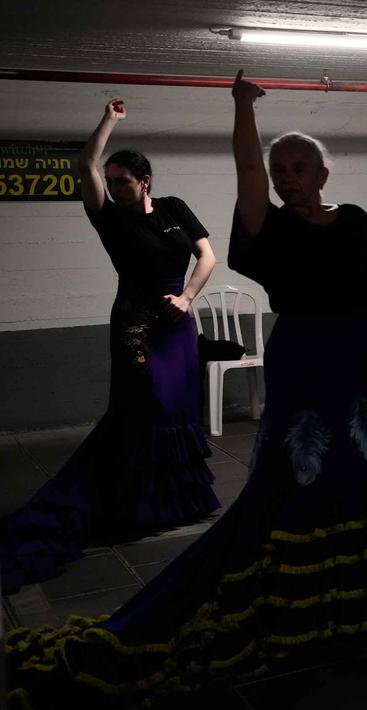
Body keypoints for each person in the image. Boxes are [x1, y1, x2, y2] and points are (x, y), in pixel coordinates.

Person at [3, 71, 367, 709]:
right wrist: (243, 107)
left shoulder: (353, 220)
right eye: (280, 168)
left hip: (355, 354)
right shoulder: (267, 226)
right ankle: (291, 574)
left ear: (322, 175)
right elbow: (247, 169)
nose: (288, 175)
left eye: (300, 167)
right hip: (301, 351)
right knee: (297, 464)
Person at [1, 99, 219, 594]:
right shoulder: (110, 218)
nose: (116, 187)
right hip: (135, 326)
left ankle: (177, 503)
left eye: (124, 181)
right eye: (112, 180)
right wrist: (110, 121)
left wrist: (187, 297)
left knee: (179, 409)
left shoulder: (174, 209)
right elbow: (85, 165)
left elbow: (207, 255)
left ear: (145, 181)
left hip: (177, 323)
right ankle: (132, 502)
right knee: (147, 408)